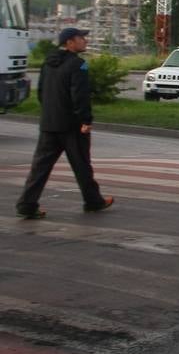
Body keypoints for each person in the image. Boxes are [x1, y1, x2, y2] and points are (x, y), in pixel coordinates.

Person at [15, 27, 114, 218]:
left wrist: (50, 114)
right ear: (70, 42)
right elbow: (80, 96)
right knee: (82, 165)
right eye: (81, 38)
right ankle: (93, 202)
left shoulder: (48, 62)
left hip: (49, 124)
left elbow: (41, 92)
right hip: (72, 126)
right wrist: (85, 120)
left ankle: (26, 204)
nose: (85, 41)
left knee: (40, 167)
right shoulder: (78, 65)